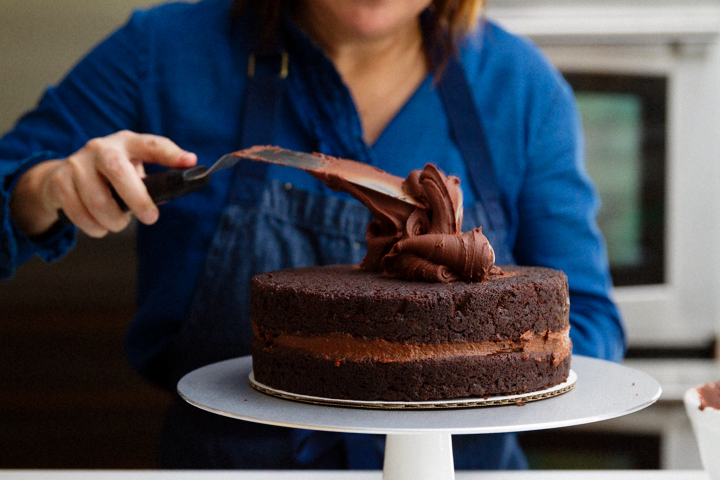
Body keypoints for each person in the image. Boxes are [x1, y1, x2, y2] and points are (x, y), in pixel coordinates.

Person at [0, 0, 626, 470]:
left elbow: (591, 323)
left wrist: (465, 367)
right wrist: (44, 189)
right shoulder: (161, 52)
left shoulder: (520, 87)